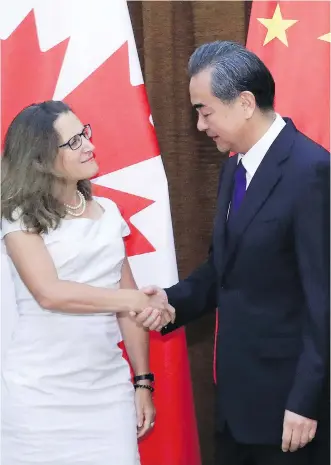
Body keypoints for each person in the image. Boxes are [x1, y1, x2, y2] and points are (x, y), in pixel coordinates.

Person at [134, 41, 330, 465]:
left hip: (290, 413)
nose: (201, 126)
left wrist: (305, 401)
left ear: (244, 103)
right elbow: (224, 268)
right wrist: (171, 302)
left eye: (205, 112)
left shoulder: (311, 171)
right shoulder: (235, 166)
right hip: (236, 404)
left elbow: (324, 301)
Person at [0, 101, 173, 465]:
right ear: (40, 159)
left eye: (85, 134)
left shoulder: (109, 213)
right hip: (38, 398)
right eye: (74, 141)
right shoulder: (18, 217)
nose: (89, 145)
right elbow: (49, 293)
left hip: (107, 393)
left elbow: (129, 308)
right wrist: (136, 299)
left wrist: (143, 382)